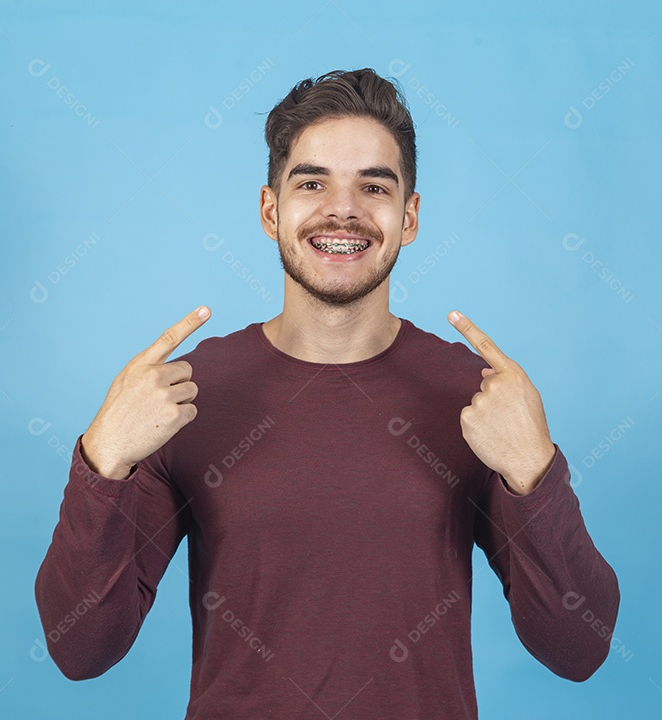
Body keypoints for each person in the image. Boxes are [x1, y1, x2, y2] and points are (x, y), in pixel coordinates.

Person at [35, 67, 620, 718]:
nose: (343, 209)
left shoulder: (474, 399)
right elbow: (81, 649)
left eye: (374, 186)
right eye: (312, 182)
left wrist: (536, 473)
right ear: (270, 211)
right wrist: (102, 461)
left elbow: (579, 647)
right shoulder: (185, 396)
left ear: (410, 217)